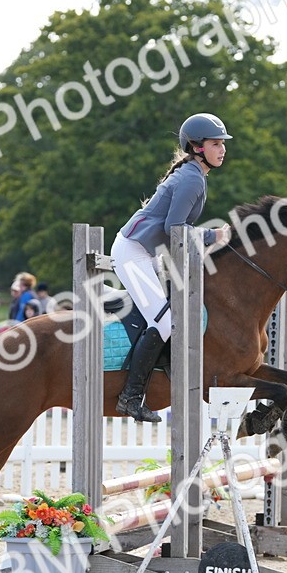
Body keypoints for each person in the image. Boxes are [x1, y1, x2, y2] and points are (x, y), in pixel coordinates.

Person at [110, 112, 233, 422]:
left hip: (146, 252)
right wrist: (213, 235)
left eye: (222, 144)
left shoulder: (195, 174)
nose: (223, 150)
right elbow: (175, 228)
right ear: (197, 147)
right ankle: (131, 397)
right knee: (165, 323)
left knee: (167, 316)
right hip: (133, 252)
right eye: (216, 144)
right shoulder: (192, 177)